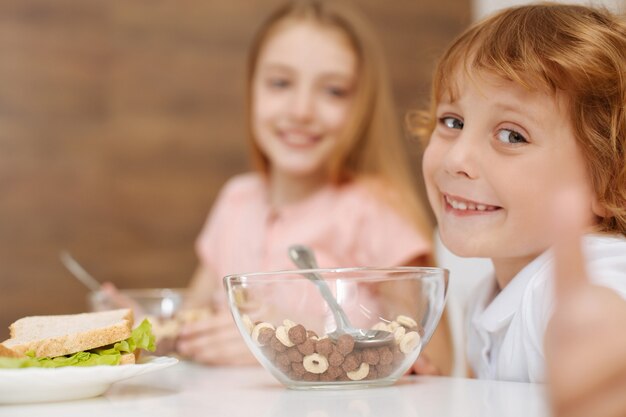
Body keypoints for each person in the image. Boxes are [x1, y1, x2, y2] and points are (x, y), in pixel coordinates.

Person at [175, 0, 452, 373]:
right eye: (280, 83)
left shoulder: (376, 210)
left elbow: (438, 366)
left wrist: (292, 343)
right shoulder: (236, 200)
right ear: (251, 88)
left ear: (361, 107)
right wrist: (143, 326)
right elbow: (188, 324)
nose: (302, 109)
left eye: (334, 91)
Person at [412, 1, 626, 413]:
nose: (457, 160)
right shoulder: (486, 293)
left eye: (512, 136)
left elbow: (600, 315)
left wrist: (605, 352)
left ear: (610, 181)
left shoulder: (569, 282)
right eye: (452, 122)